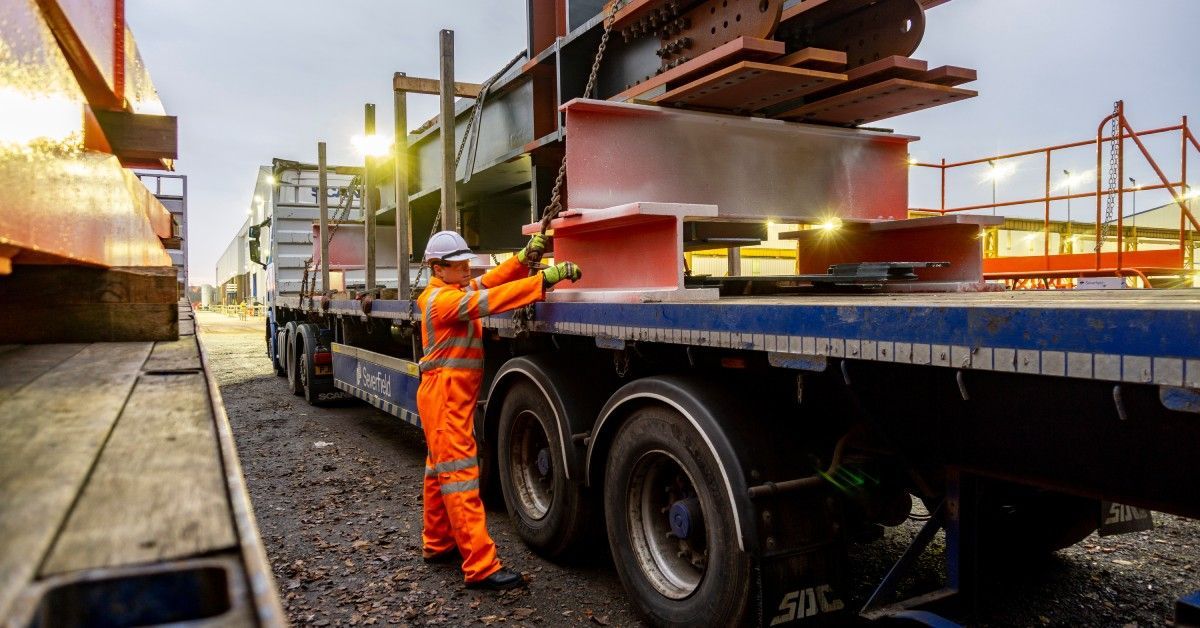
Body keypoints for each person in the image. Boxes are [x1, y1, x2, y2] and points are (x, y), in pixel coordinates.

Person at [415, 230, 581, 590]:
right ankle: (481, 566)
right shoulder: (443, 301)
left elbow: (490, 282)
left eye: (466, 264)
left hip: (445, 397)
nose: (468, 271)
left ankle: (438, 542)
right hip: (444, 399)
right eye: (459, 266)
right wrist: (543, 280)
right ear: (438, 268)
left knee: (438, 471)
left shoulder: (451, 291)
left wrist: (522, 260)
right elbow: (490, 300)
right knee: (459, 479)